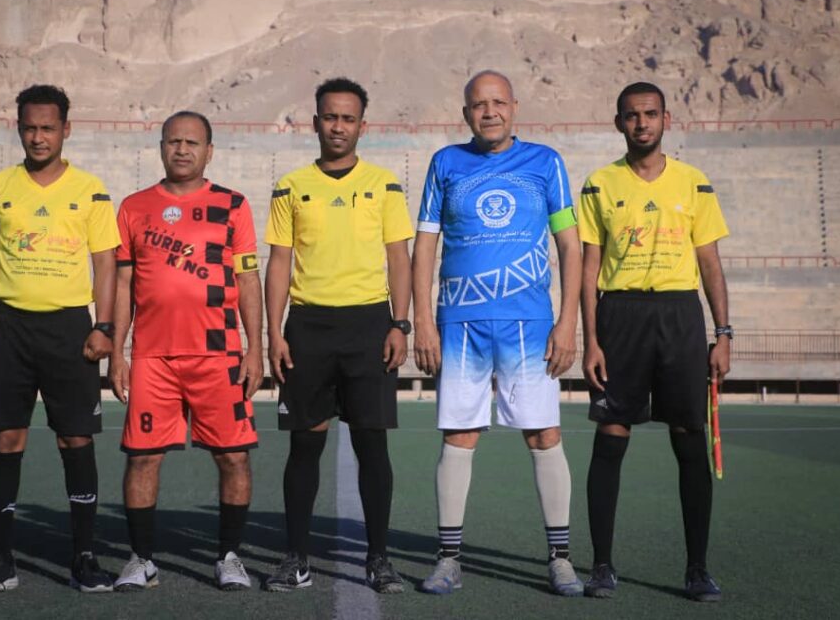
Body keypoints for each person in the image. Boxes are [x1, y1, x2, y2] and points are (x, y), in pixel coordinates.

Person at [412, 70, 584, 596]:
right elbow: (424, 246)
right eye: (478, 105)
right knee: (458, 435)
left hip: (529, 324)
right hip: (459, 324)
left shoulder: (545, 162)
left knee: (544, 434)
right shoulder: (446, 163)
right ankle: (448, 560)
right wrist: (423, 321)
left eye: (498, 103)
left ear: (514, 107)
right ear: (466, 113)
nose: (489, 112)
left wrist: (568, 322)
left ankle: (560, 559)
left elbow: (570, 246)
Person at [0, 85, 120, 594]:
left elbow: (105, 262)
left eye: (48, 128)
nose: (39, 137)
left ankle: (84, 558)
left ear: (66, 129)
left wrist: (104, 325)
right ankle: (0, 559)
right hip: (11, 328)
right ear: (18, 128)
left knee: (76, 438)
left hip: (70, 329)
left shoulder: (91, 190)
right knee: (6, 439)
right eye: (30, 128)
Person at [578, 81, 730, 602]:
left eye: (650, 114)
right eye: (631, 115)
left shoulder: (694, 182)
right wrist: (590, 340)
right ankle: (601, 566)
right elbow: (590, 267)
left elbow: (709, 262)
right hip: (620, 316)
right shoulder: (599, 184)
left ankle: (697, 569)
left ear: (667, 119)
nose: (641, 123)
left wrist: (723, 334)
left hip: (679, 315)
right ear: (618, 122)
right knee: (611, 434)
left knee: (689, 437)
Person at [263, 77, 413, 594]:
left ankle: (379, 559)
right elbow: (279, 262)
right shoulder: (291, 186)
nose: (338, 127)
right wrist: (274, 333)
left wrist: (399, 323)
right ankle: (296, 558)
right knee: (304, 445)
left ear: (362, 126)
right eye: (330, 117)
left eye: (348, 118)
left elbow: (399, 258)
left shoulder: (384, 184)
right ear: (315, 122)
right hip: (308, 328)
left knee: (372, 445)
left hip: (369, 326)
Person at [108, 111, 263, 592]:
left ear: (209, 151)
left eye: (192, 142)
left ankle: (229, 557)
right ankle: (141, 560)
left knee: (233, 457)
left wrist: (254, 349)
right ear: (161, 147)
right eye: (173, 141)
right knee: (142, 459)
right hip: (153, 358)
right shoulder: (134, 207)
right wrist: (117, 352)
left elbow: (247, 279)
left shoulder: (233, 205)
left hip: (219, 355)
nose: (182, 150)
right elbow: (123, 284)